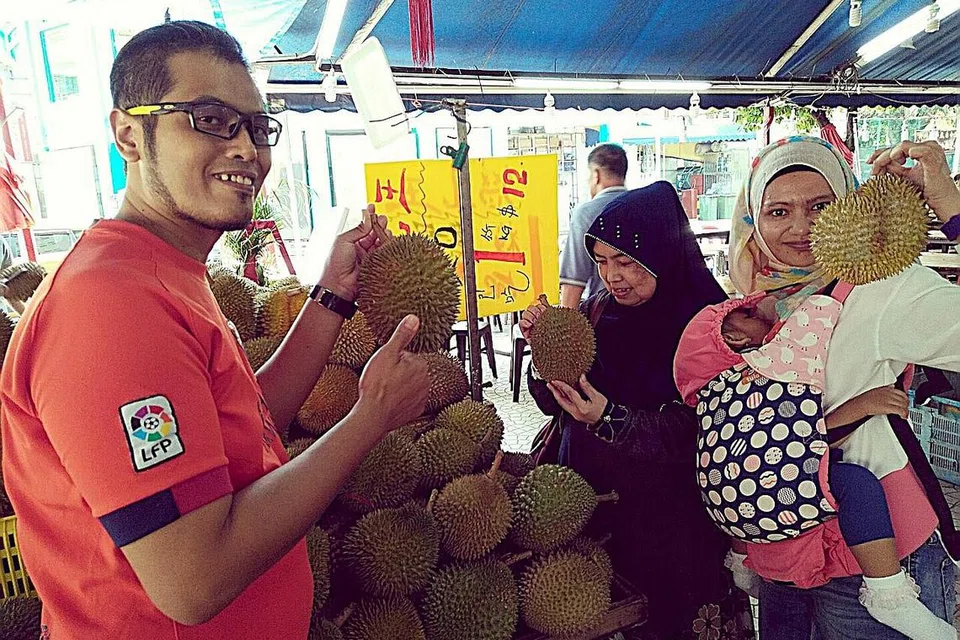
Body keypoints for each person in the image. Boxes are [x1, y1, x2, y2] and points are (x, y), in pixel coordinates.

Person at [0, 21, 429, 639]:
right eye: (208, 117)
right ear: (129, 134)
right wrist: (370, 417)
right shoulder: (109, 307)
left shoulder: (162, 271)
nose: (246, 149)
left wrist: (332, 295)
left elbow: (246, 429)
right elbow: (191, 582)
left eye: (258, 128)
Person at [675, 136, 960, 640]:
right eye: (778, 210)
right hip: (780, 548)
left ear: (850, 208)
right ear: (753, 219)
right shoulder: (749, 303)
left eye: (823, 207)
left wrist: (950, 208)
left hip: (870, 559)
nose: (801, 228)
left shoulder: (883, 289)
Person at [522, 182, 752, 639]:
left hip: (672, 524)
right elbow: (553, 402)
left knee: (672, 620)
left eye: (626, 261)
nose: (612, 276)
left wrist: (609, 419)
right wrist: (542, 350)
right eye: (602, 261)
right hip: (588, 510)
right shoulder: (595, 312)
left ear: (664, 252)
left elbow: (701, 429)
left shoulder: (712, 325)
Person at [688, 297, 951, 639]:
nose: (766, 311)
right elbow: (797, 434)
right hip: (808, 523)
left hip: (758, 534)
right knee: (855, 481)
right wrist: (861, 406)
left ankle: (742, 563)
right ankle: (887, 590)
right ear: (736, 338)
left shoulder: (717, 392)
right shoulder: (770, 366)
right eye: (749, 314)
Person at [559, 143, 628, 307]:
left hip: (603, 316)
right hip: (648, 317)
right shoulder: (642, 207)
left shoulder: (586, 213)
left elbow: (573, 282)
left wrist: (567, 329)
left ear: (596, 175)